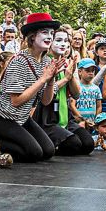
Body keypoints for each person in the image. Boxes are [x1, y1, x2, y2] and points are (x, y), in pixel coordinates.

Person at [0, 13, 63, 163]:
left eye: (51, 33)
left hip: (21, 117)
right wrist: (43, 79)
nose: (49, 37)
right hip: (1, 117)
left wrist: (51, 79)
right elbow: (16, 101)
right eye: (45, 32)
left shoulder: (47, 61)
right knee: (33, 153)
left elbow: (46, 102)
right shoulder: (19, 61)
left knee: (48, 150)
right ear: (32, 36)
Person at [34, 29, 93, 157]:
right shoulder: (44, 62)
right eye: (59, 40)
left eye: (66, 41)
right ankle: (49, 146)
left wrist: (70, 75)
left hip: (66, 115)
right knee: (74, 144)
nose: (63, 44)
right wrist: (65, 79)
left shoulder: (67, 63)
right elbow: (43, 93)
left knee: (88, 144)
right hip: (47, 117)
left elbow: (76, 94)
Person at [70, 58, 103, 128]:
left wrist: (96, 120)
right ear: (79, 72)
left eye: (92, 71)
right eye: (87, 70)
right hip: (78, 122)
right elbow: (72, 105)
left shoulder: (96, 88)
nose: (91, 73)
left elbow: (99, 106)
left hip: (92, 123)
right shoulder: (76, 87)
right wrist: (82, 119)